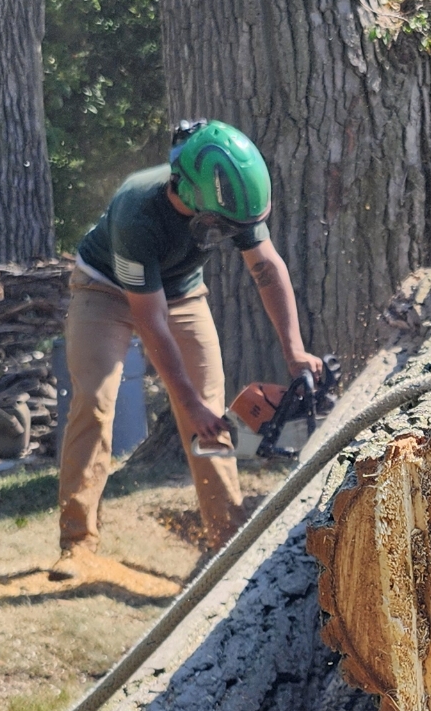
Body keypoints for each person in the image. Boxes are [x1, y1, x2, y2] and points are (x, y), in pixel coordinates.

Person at [56, 120, 322, 575]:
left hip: (180, 292)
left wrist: (294, 349)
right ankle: (77, 542)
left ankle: (226, 544)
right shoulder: (137, 210)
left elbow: (267, 268)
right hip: (104, 291)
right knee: (95, 401)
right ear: (195, 197)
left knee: (211, 411)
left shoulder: (230, 200)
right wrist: (187, 402)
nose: (233, 233)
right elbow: (149, 319)